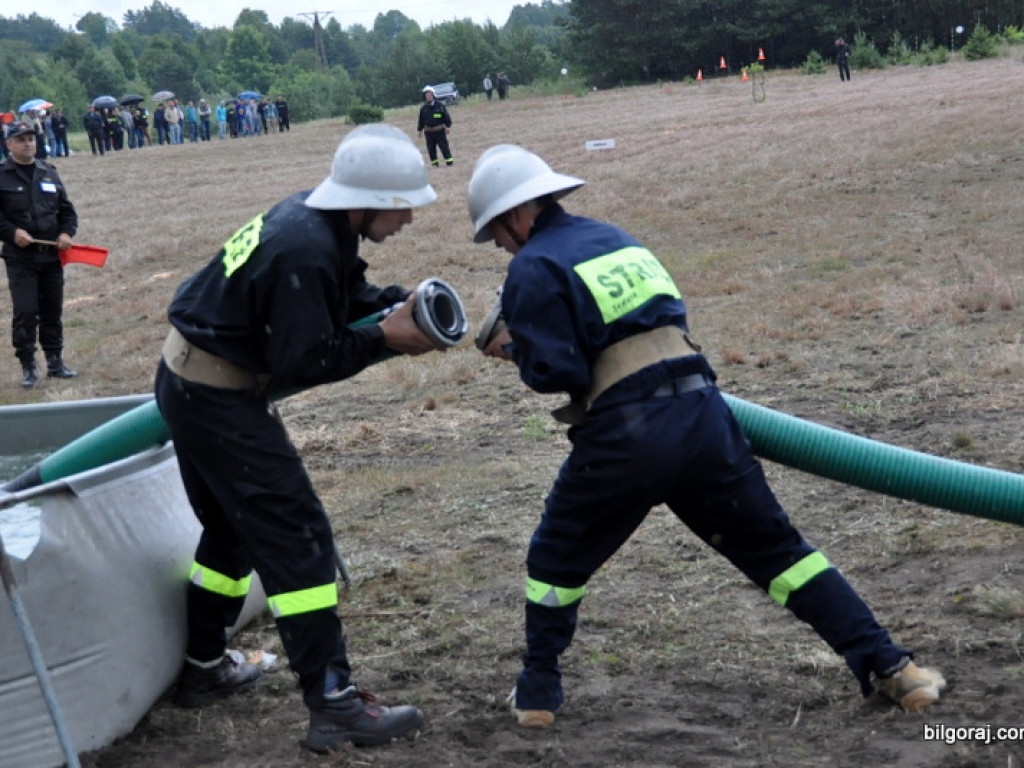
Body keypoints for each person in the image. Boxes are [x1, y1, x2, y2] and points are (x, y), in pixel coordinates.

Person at [465, 144, 947, 728]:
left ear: (515, 215)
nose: (502, 246)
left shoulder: (532, 266)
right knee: (780, 554)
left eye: (496, 234)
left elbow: (558, 374)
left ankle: (537, 693)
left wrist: (514, 350)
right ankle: (896, 669)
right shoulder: (620, 241)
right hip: (704, 416)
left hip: (629, 436)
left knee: (554, 559)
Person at [154, 124, 446, 753]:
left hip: (193, 383)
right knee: (298, 539)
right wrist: (384, 339)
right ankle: (334, 702)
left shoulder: (312, 220)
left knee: (234, 531)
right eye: (402, 208)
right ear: (366, 199)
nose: (408, 221)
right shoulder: (306, 246)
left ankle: (204, 667)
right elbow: (305, 359)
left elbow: (332, 299)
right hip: (217, 398)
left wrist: (394, 302)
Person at [0, 121, 79, 388]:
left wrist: (67, 233)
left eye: (30, 138)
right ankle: (28, 366)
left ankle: (55, 362)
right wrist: (12, 233)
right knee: (26, 311)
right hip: (21, 258)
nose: (28, 143)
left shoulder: (48, 171)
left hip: (51, 256)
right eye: (20, 139)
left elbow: (67, 211)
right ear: (9, 144)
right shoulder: (2, 175)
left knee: (52, 311)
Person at [416, 86, 453, 168]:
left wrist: (448, 126)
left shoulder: (440, 106)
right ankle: (434, 163)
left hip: (439, 131)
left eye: (430, 95)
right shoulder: (423, 109)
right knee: (431, 149)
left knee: (444, 147)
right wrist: (420, 130)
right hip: (429, 132)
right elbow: (421, 120)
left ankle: (449, 162)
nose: (428, 97)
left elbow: (446, 116)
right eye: (427, 95)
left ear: (433, 95)